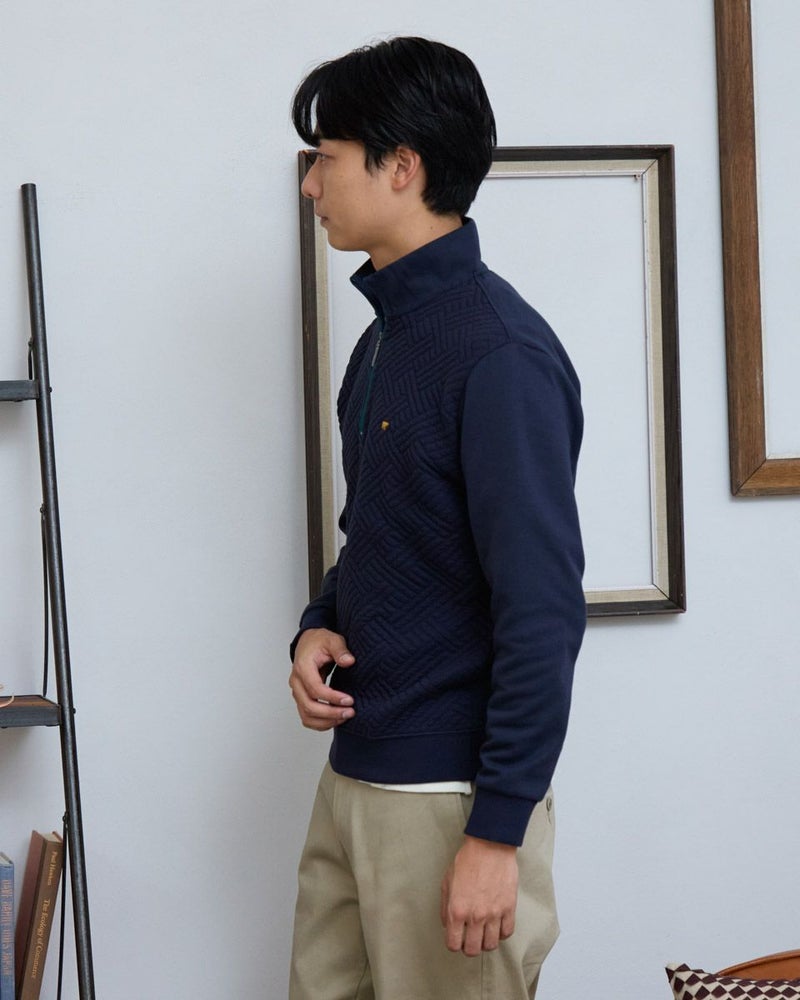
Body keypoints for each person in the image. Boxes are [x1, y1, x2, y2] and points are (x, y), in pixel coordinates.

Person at [288, 36, 585, 1000]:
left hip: (447, 803)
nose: (311, 184)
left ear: (402, 167)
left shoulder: (499, 354)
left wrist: (497, 833)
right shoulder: (385, 340)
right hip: (355, 778)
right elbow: (384, 534)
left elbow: (541, 611)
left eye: (326, 157)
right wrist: (317, 624)